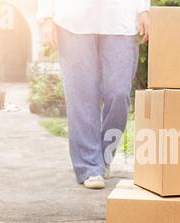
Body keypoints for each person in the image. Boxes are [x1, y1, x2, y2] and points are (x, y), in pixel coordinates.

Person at [37, 0, 150, 189]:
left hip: (120, 17)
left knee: (118, 93)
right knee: (81, 97)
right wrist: (47, 16)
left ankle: (104, 157)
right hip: (73, 17)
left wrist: (144, 9)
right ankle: (89, 167)